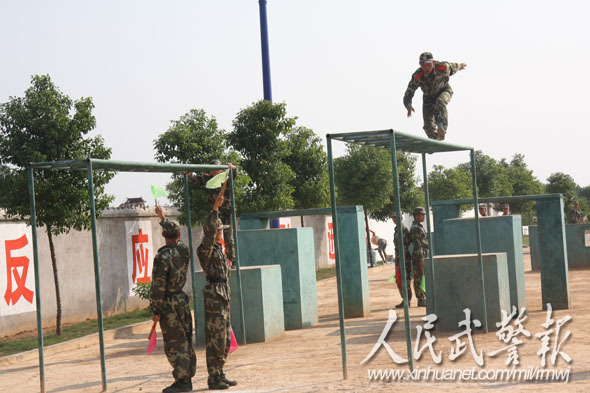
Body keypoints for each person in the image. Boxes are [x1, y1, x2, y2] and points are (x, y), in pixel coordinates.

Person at [150, 206, 196, 393]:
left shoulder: (162, 257)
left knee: (174, 342)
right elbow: (178, 239)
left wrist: (155, 310)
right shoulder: (184, 250)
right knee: (185, 338)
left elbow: (158, 286)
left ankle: (183, 380)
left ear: (164, 235)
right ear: (178, 234)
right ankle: (187, 376)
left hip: (168, 304)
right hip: (182, 301)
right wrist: (163, 219)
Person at [197, 185, 237, 390]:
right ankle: (213, 377)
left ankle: (220, 372)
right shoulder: (206, 250)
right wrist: (214, 207)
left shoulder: (219, 250)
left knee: (223, 338)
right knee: (215, 339)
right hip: (214, 296)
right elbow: (210, 228)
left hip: (223, 295)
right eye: (220, 231)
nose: (221, 234)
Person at [403, 52, 467, 141]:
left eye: (428, 65)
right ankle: (436, 138)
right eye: (423, 66)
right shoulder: (418, 75)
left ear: (433, 62)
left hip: (444, 90)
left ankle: (442, 127)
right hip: (428, 98)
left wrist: (461, 66)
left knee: (440, 101)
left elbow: (454, 67)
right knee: (428, 126)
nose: (426, 68)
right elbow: (409, 92)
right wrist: (408, 105)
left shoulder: (443, 67)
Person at [187, 160, 237, 264]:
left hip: (226, 211)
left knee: (228, 238)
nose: (215, 171)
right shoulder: (207, 178)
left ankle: (231, 260)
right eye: (213, 169)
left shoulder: (225, 177)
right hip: (215, 212)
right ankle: (213, 259)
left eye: (217, 169)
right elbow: (193, 180)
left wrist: (233, 168)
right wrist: (189, 174)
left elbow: (234, 174)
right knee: (211, 235)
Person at [392, 212, 412, 309]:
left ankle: (407, 300)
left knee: (403, 279)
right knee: (400, 279)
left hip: (403, 258)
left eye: (396, 218)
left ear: (401, 218)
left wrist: (402, 260)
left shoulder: (402, 230)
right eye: (393, 218)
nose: (394, 220)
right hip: (400, 257)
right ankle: (405, 299)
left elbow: (405, 246)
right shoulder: (397, 229)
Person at [409, 207, 429, 307]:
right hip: (419, 257)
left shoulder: (419, 226)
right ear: (416, 216)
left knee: (422, 277)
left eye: (424, 214)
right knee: (419, 278)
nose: (424, 216)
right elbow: (417, 245)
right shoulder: (415, 228)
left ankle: (423, 297)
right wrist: (421, 259)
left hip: (423, 255)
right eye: (422, 215)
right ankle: (421, 299)